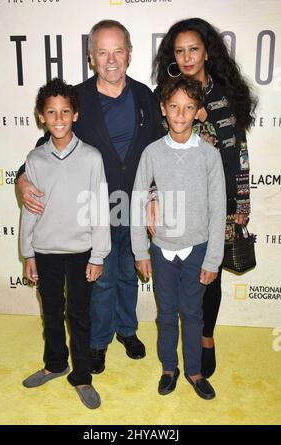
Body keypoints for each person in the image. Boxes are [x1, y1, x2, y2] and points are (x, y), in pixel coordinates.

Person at [16, 20, 164, 374]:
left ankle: (126, 330)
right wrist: (22, 177)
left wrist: (157, 195)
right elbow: (46, 144)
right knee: (99, 278)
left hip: (135, 205)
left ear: (129, 54)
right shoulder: (77, 98)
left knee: (129, 274)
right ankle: (98, 341)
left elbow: (161, 149)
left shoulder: (146, 95)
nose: (111, 59)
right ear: (91, 57)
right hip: (93, 209)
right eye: (102, 52)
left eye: (118, 51)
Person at [150, 17, 257, 378]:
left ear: (207, 51)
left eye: (194, 49)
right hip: (178, 206)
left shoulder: (227, 95)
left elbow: (239, 150)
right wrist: (151, 196)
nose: (187, 57)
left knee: (210, 276)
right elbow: (152, 153)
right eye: (179, 51)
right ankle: (175, 352)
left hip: (221, 201)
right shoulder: (165, 96)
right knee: (177, 281)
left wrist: (241, 203)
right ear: (172, 56)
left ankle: (205, 337)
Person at [131, 76, 226, 399]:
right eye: (174, 107)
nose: (181, 114)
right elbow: (138, 200)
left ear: (198, 110)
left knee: (194, 314)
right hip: (161, 251)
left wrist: (213, 258)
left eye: (188, 107)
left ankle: (195, 372)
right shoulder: (152, 153)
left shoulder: (209, 155)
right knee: (167, 313)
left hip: (197, 249)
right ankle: (169, 368)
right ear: (163, 109)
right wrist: (140, 251)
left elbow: (218, 209)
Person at [20, 78, 111, 409]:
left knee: (80, 315)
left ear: (76, 114)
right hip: (45, 252)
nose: (58, 118)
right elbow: (30, 209)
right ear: (41, 117)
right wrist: (27, 252)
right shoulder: (34, 160)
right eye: (51, 112)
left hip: (80, 252)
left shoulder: (91, 158)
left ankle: (82, 375)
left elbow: (100, 208)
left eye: (65, 112)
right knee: (52, 312)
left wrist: (98, 255)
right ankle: (55, 364)